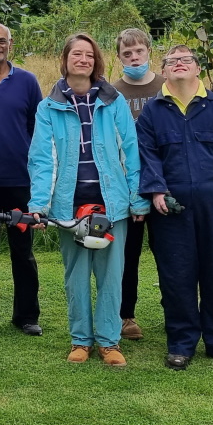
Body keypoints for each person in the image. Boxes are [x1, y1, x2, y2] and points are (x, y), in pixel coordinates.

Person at [28, 33, 149, 366]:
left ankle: (109, 342)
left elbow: (130, 151)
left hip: (112, 204)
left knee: (111, 275)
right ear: (65, 59)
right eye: (76, 54)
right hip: (69, 206)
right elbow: (42, 159)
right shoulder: (48, 107)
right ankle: (80, 340)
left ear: (97, 62)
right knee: (76, 275)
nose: (83, 59)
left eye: (89, 55)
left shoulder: (114, 103)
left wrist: (138, 200)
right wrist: (38, 205)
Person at [136, 45, 213, 371]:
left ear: (197, 68)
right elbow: (146, 154)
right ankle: (181, 343)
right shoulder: (152, 112)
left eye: (185, 60)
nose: (179, 64)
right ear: (164, 70)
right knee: (176, 276)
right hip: (170, 209)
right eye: (172, 61)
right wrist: (156, 189)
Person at [0, 22, 43, 336]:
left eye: (0, 41)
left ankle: (27, 316)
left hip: (21, 182)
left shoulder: (28, 82)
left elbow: (39, 131)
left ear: (10, 44)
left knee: (22, 249)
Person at [111, 28, 164, 342]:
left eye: (138, 52)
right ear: (119, 57)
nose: (134, 58)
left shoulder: (165, 87)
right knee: (127, 254)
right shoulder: (112, 92)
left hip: (162, 184)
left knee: (168, 252)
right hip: (125, 186)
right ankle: (125, 315)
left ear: (149, 52)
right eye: (127, 54)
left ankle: (174, 308)